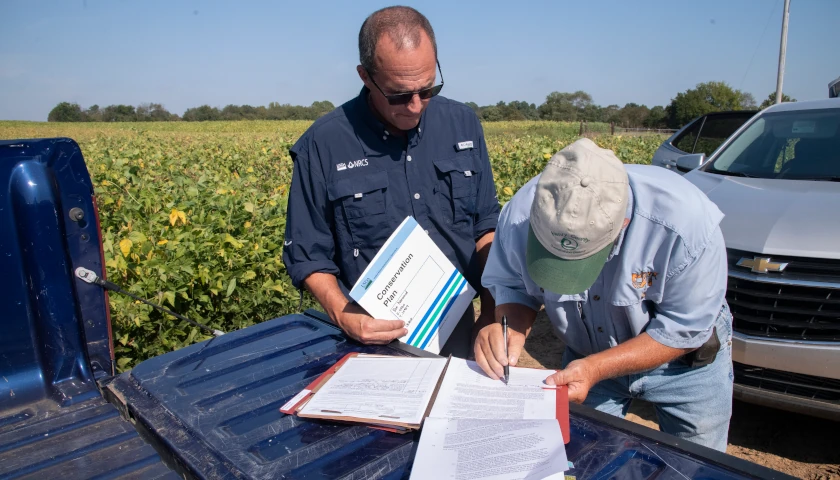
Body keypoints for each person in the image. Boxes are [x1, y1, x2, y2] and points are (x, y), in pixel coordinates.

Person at [476, 138, 733, 451]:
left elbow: (683, 326)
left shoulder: (686, 225)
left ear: (622, 224)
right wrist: (510, 328)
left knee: (695, 463)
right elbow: (513, 286)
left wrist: (596, 368)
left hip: (684, 368)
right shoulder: (520, 214)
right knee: (586, 456)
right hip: (585, 358)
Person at [282, 6, 499, 357]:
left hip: (457, 328)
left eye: (428, 89)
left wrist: (490, 312)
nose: (415, 106)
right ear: (365, 76)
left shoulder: (463, 124)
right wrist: (344, 315)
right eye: (399, 95)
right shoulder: (323, 145)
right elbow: (308, 255)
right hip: (367, 341)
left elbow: (485, 226)